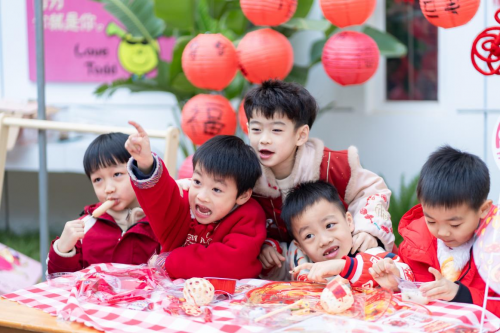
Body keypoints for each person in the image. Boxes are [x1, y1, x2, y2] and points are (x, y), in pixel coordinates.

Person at [243, 80, 394, 279]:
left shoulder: (334, 164)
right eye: (256, 130)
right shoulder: (245, 174)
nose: (264, 139)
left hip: (346, 260)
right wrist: (263, 244)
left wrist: (368, 231)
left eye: (276, 130)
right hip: (287, 270)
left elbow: (372, 192)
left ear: (301, 135)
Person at [125, 121, 267, 279]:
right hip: (171, 295)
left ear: (243, 196)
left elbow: (231, 263)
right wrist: (145, 163)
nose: (202, 196)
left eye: (217, 189)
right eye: (198, 182)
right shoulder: (184, 202)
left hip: (228, 298)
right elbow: (159, 199)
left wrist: (169, 261)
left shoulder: (248, 215)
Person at [370, 146, 499, 316]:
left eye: (455, 225)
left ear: (483, 209)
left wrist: (461, 295)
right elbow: (410, 294)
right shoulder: (416, 242)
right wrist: (398, 281)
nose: (443, 232)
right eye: (431, 221)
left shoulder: (494, 248)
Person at [47, 133, 160, 274]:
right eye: (98, 180)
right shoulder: (85, 228)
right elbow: (59, 280)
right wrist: (62, 250)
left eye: (117, 174)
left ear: (137, 170)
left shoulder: (161, 221)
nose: (108, 189)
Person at [280, 181, 413, 288]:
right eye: (309, 236)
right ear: (301, 246)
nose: (324, 241)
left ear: (349, 221)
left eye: (329, 225)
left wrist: (346, 267)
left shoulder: (368, 250)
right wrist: (268, 248)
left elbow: (407, 275)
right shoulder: (301, 262)